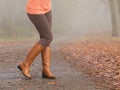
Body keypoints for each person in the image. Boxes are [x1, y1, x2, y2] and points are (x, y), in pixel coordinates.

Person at [17, 0, 55, 79]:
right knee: (48, 37)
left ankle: (46, 69)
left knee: (46, 38)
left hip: (47, 8)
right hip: (35, 9)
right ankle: (25, 64)